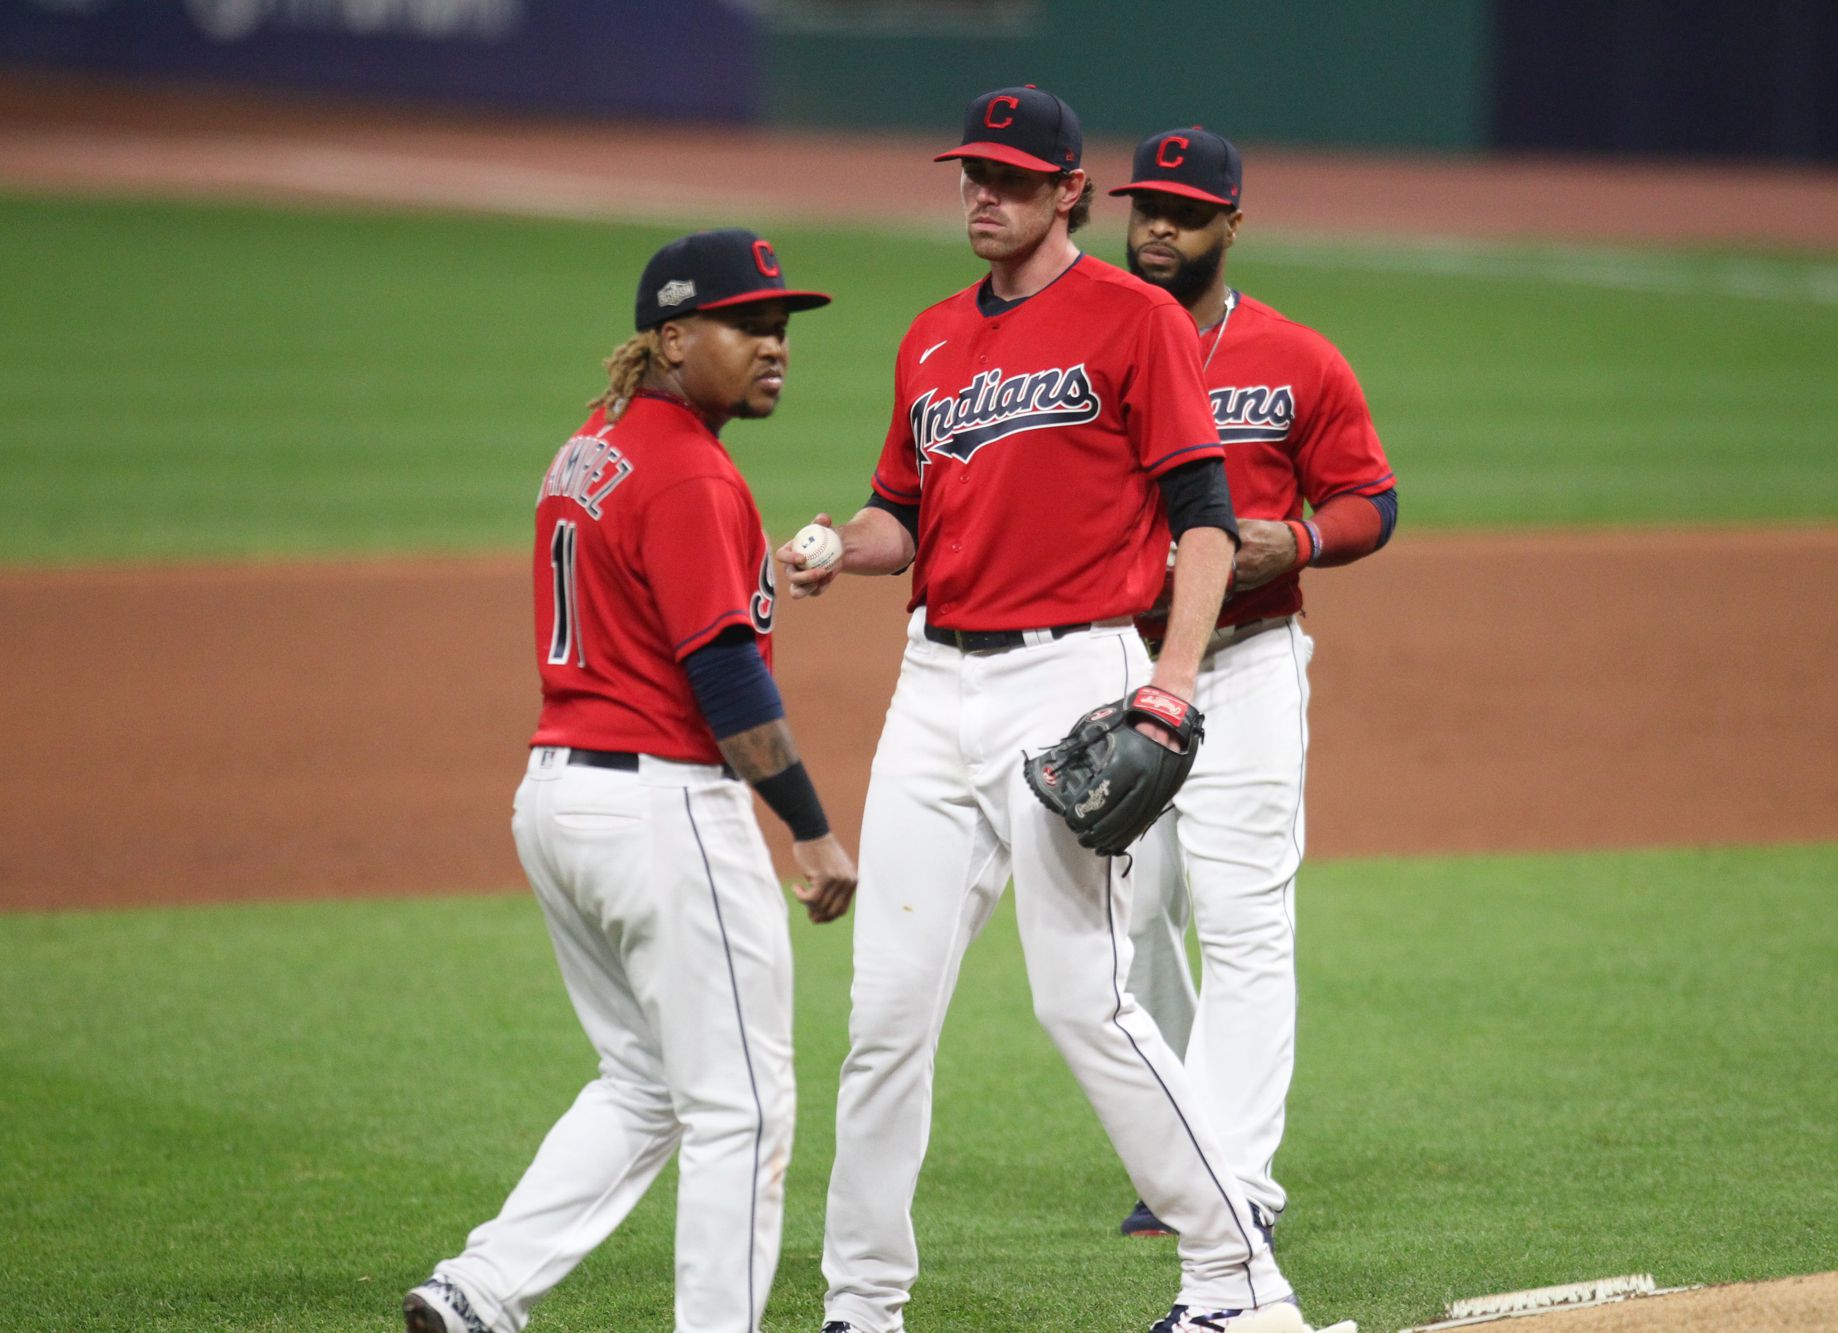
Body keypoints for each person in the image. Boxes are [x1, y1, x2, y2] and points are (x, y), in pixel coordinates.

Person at [779, 87, 1336, 1333]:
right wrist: (835, 548)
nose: (983, 195)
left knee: (1081, 998)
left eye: (1010, 180)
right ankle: (861, 1306)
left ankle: (1238, 1283)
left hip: (1066, 678)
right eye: (971, 175)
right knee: (882, 1016)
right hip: (932, 686)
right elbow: (903, 517)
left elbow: (1200, 518)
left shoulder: (1133, 320)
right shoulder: (927, 338)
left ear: (1066, 193)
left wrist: (1168, 686)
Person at [402, 229, 858, 1333]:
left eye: (780, 328)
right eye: (746, 326)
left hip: (561, 800)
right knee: (741, 1108)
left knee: (649, 1081)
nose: (773, 347)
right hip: (660, 807)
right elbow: (723, 676)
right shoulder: (693, 472)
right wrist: (809, 828)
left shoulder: (593, 445)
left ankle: (479, 1288)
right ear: (669, 335)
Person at [1105, 129, 1399, 1243]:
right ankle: (1188, 1134)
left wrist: (1307, 538)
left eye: (1183, 210)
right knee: (1121, 924)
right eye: (1145, 208)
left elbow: (1373, 498)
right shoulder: (1086, 346)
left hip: (1247, 663)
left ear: (1231, 223)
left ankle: (1233, 1182)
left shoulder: (1296, 358)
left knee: (1241, 924)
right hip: (1116, 669)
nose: (1158, 227)